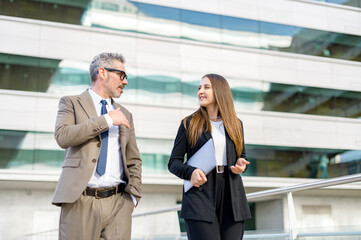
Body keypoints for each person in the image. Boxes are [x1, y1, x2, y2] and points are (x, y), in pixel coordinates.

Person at [52, 52, 142, 240]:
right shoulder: (71, 103)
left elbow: (133, 159)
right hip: (80, 201)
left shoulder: (126, 114)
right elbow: (63, 137)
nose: (125, 82)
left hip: (119, 204)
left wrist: (132, 198)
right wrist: (107, 120)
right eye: (121, 75)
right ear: (102, 72)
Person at [168, 74, 252, 240]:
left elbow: (241, 156)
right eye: (199, 88)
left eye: (206, 87)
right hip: (200, 194)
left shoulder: (236, 124)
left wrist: (242, 164)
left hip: (232, 194)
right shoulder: (189, 123)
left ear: (220, 92)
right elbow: (173, 162)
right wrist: (190, 172)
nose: (201, 91)